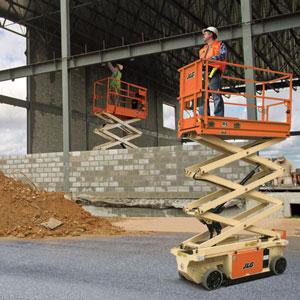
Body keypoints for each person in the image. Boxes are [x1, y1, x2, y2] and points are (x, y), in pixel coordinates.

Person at [198, 26, 227, 117]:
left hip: (214, 72)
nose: (203, 35)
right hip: (203, 74)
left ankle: (218, 116)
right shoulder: (202, 50)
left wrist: (210, 60)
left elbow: (222, 55)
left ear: (211, 34)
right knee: (202, 96)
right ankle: (203, 116)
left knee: (215, 94)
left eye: (205, 33)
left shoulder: (220, 45)